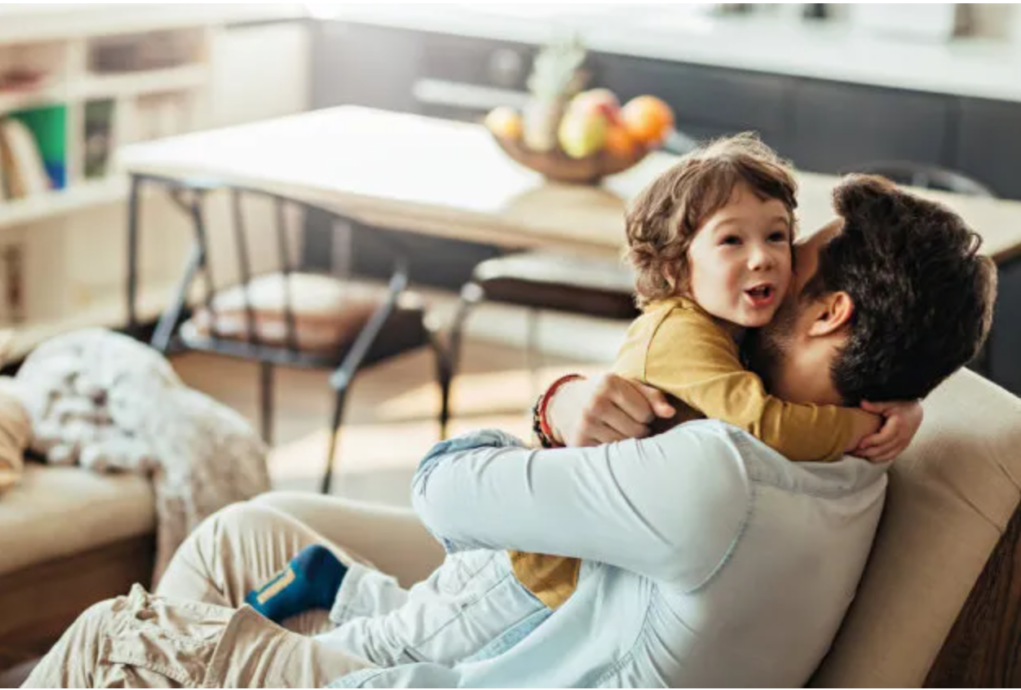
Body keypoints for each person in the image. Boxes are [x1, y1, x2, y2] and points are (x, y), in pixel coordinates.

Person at [24, 174, 996, 688]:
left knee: (114, 634)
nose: (768, 271)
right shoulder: (857, 450)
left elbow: (443, 492)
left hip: (455, 674)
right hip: (518, 627)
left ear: (827, 316)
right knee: (246, 534)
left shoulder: (714, 477)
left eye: (793, 255)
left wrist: (553, 408)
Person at [243, 135, 923, 654]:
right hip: (542, 563)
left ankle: (329, 582)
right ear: (675, 265)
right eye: (732, 241)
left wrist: (908, 400)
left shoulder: (733, 330)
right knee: (409, 642)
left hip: (575, 542)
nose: (764, 257)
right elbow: (762, 422)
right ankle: (251, 653)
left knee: (426, 615)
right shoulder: (679, 336)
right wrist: (854, 429)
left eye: (778, 235)